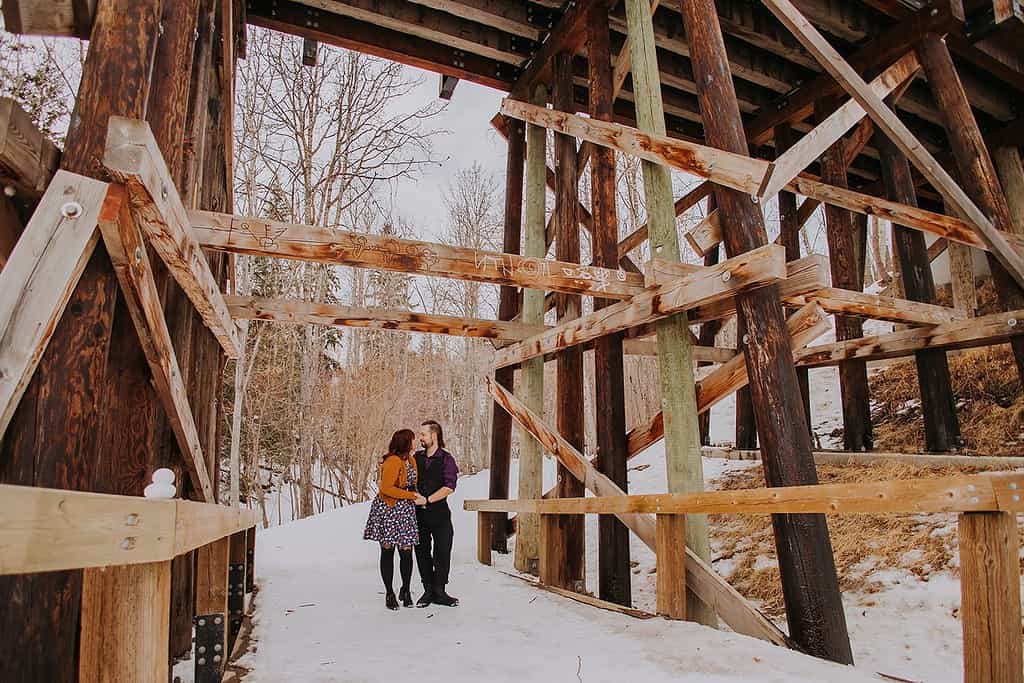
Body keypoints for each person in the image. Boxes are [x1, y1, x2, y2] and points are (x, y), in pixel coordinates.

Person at [363, 428, 427, 610]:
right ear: (405, 443)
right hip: (389, 509)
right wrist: (412, 497)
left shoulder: (411, 460)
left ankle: (405, 590)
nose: (415, 443)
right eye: (412, 440)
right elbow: (386, 488)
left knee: (406, 551)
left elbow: (412, 484)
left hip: (405, 510)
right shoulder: (392, 461)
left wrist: (417, 496)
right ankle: (389, 593)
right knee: (388, 550)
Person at [413, 420, 460, 607]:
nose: (421, 438)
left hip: (439, 513)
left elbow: (450, 487)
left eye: (423, 434)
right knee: (422, 552)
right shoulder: (416, 458)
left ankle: (440, 591)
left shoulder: (447, 459)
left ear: (434, 435)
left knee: (442, 551)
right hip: (418, 516)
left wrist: (428, 499)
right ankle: (428, 590)